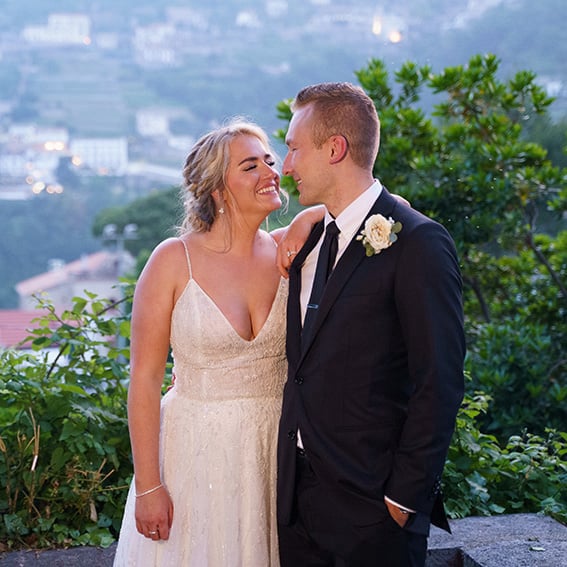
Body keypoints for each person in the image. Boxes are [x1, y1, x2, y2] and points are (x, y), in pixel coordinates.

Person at [113, 118, 321, 566]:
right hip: (193, 457)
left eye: (270, 160)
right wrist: (149, 485)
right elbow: (146, 379)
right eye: (251, 166)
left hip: (273, 455)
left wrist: (312, 215)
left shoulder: (290, 250)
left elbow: (382, 208)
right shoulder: (172, 261)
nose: (272, 172)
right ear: (216, 188)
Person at [276, 82, 466, 567]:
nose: (287, 165)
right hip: (297, 506)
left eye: (294, 148)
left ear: (335, 148)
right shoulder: (311, 237)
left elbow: (439, 382)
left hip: (374, 511)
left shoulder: (419, 242)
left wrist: (402, 500)